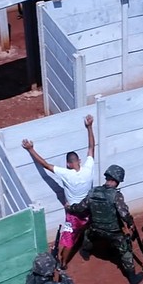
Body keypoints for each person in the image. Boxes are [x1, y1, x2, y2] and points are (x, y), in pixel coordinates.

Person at [22, 115, 97, 268]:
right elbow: (91, 147)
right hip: (88, 209)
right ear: (79, 161)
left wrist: (31, 149)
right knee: (88, 229)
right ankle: (86, 249)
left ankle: (63, 263)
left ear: (68, 164)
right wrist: (89, 127)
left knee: (70, 238)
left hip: (73, 212)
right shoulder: (88, 169)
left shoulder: (66, 173)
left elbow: (45, 165)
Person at [69, 165, 143, 284]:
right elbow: (124, 214)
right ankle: (132, 278)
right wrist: (130, 224)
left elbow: (80, 207)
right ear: (117, 180)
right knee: (126, 250)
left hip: (96, 228)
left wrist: (70, 208)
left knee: (88, 234)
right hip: (113, 232)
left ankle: (86, 252)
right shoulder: (116, 195)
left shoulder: (93, 191)